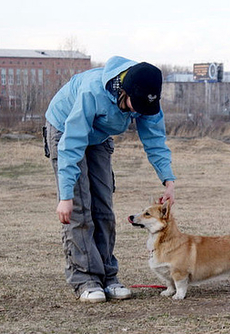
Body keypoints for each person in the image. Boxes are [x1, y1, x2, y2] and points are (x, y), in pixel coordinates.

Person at [43, 56, 176, 303]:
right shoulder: (92, 91)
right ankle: (85, 279)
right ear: (122, 91)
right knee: (80, 208)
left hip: (100, 135)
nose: (137, 112)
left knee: (103, 206)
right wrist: (66, 196)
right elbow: (72, 143)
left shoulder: (146, 98)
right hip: (66, 129)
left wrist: (168, 180)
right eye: (133, 105)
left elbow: (155, 140)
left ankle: (108, 276)